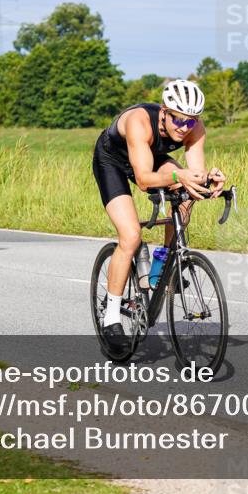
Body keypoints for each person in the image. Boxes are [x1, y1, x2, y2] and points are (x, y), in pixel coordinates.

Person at [91, 78, 226, 355]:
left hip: (153, 158)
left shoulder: (194, 128)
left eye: (191, 121)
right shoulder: (139, 121)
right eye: (178, 119)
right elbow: (143, 179)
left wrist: (208, 180)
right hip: (113, 162)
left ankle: (158, 269)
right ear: (164, 111)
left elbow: (195, 175)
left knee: (187, 197)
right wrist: (178, 175)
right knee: (130, 236)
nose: (184, 127)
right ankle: (112, 315)